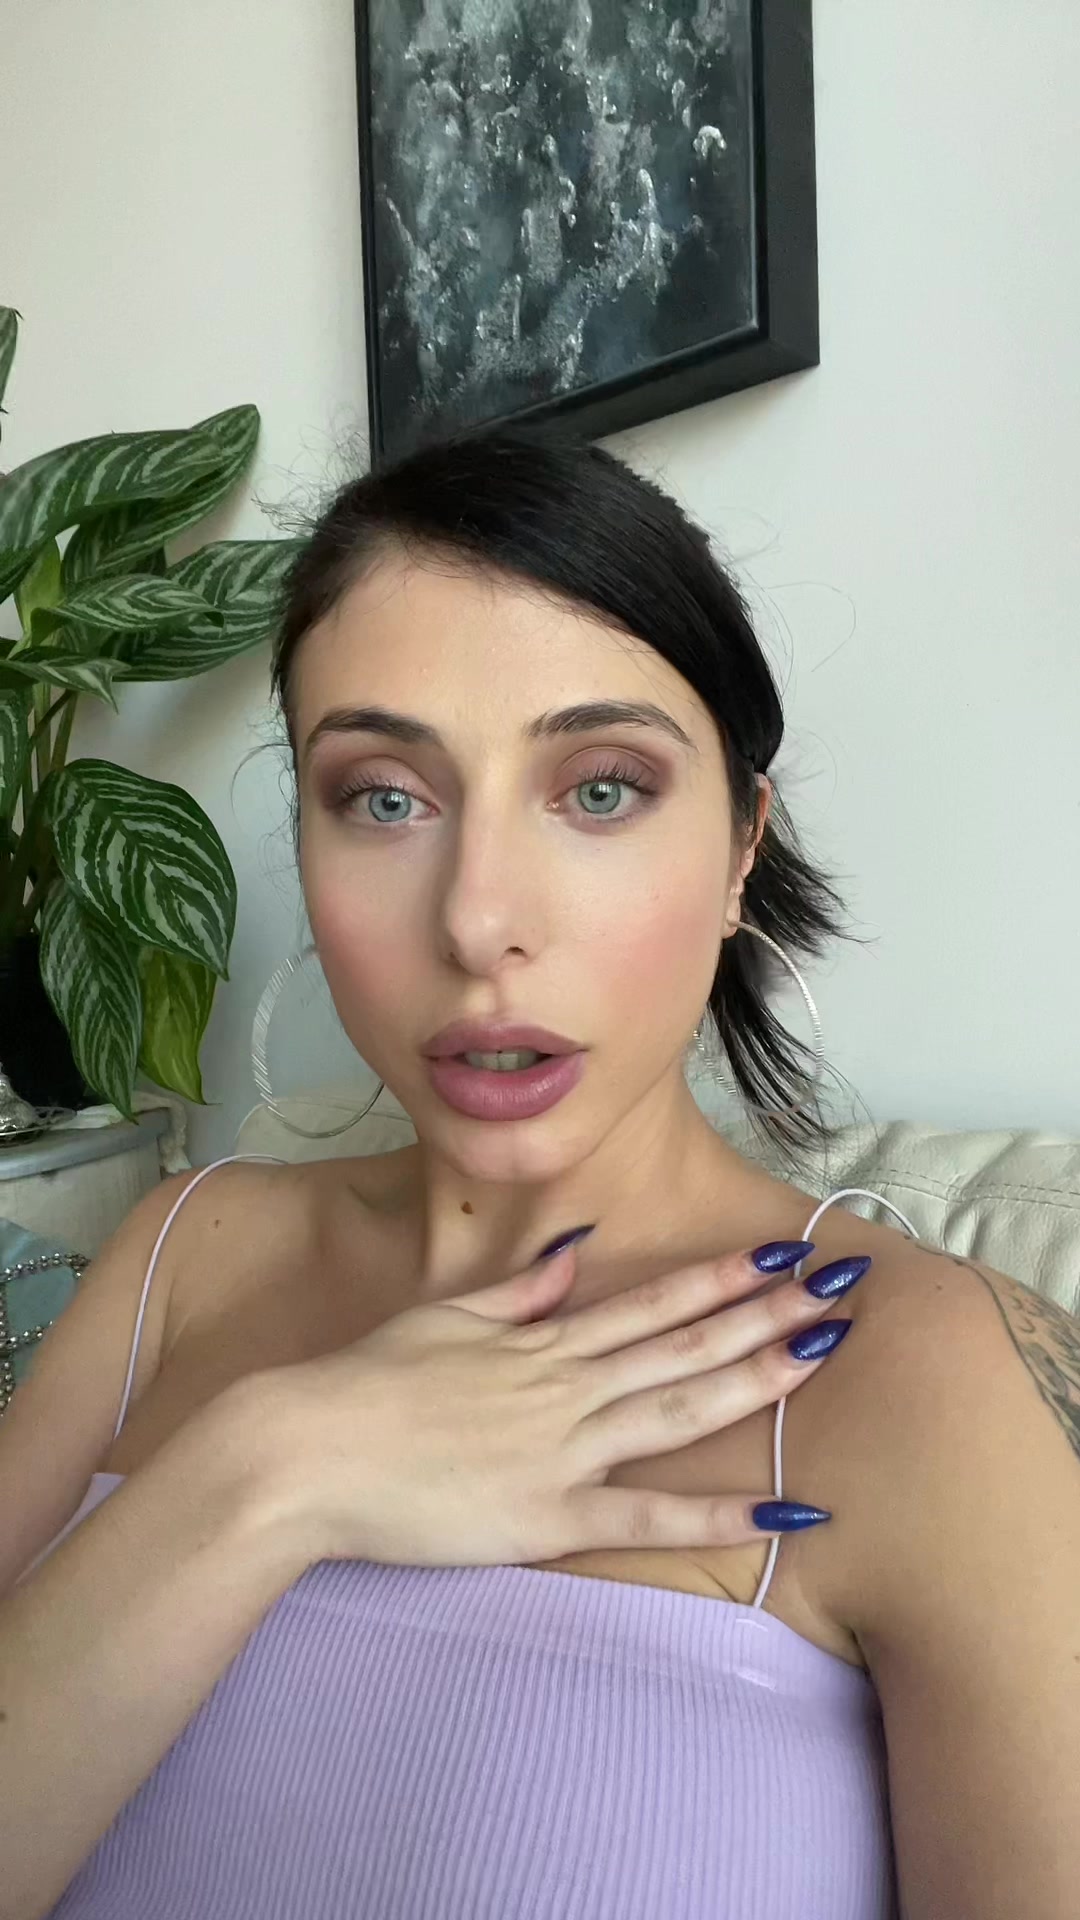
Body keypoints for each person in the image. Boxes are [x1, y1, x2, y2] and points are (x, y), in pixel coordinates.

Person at [2, 427, 1077, 1920]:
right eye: (386, 797)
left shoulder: (932, 1375)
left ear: (741, 848)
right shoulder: (183, 1249)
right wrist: (272, 1468)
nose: (478, 920)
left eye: (602, 789)